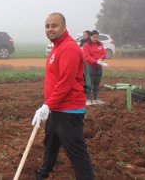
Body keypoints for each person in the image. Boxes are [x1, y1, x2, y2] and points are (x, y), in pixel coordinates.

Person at [32, 13, 94, 180]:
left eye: (54, 25)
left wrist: (47, 105)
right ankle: (44, 173)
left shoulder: (69, 48)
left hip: (69, 111)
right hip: (55, 107)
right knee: (50, 144)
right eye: (47, 26)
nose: (50, 29)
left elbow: (65, 82)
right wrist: (48, 106)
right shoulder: (57, 47)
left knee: (76, 151)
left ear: (64, 27)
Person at [83, 30, 107, 105]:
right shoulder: (86, 45)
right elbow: (86, 56)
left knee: (97, 83)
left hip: (99, 66)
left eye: (97, 37)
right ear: (90, 37)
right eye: (94, 37)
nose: (95, 38)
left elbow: (104, 53)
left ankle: (96, 99)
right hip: (91, 66)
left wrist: (101, 59)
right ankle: (87, 99)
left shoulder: (100, 44)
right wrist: (95, 61)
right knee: (89, 84)